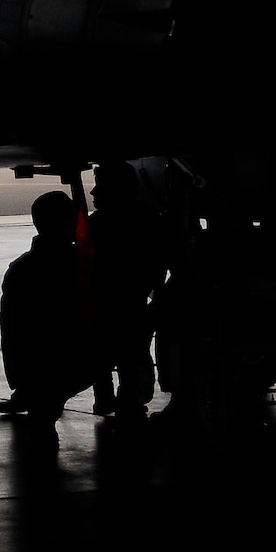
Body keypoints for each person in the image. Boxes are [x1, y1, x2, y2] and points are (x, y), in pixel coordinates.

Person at [0, 189, 94, 422]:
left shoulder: (19, 268)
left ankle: (30, 392)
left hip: (28, 367)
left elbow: (11, 330)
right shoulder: (77, 265)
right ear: (64, 223)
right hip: (64, 364)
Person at [88, 161, 164, 418]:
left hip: (110, 302)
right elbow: (157, 265)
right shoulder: (147, 219)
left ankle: (110, 397)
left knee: (107, 352)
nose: (93, 193)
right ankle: (130, 396)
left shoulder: (95, 225)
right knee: (134, 353)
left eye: (100, 187)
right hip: (134, 300)